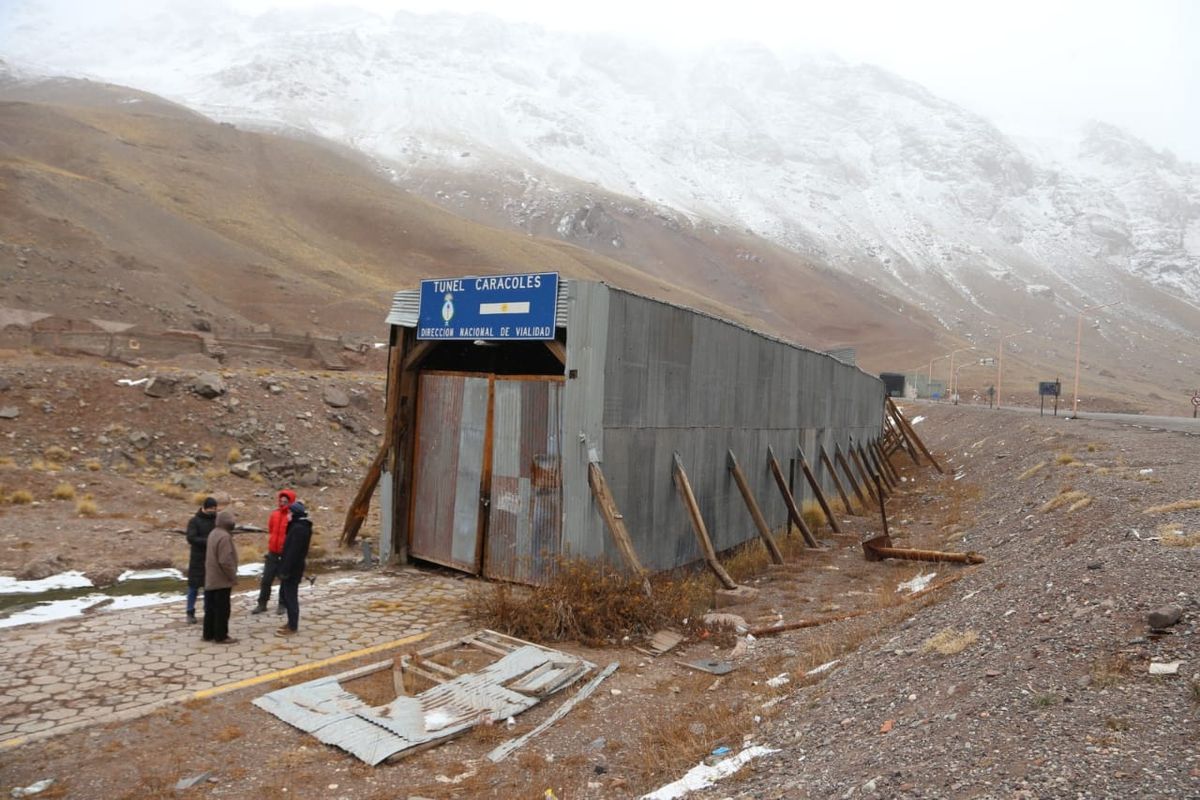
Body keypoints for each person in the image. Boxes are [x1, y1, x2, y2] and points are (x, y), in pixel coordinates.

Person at [253, 488, 296, 615]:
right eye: (281, 500)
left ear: (290, 502)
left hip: (285, 553)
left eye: (285, 501)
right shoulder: (274, 515)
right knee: (266, 579)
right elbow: (271, 530)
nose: (282, 503)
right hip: (273, 552)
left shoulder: (292, 517)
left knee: (284, 580)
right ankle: (262, 603)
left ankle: (282, 604)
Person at [276, 501, 313, 637]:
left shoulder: (299, 529)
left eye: (290, 513)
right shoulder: (299, 527)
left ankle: (293, 626)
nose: (288, 516)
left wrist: (284, 570)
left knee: (290, 597)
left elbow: (293, 553)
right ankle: (291, 622)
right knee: (287, 595)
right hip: (292, 567)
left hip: (292, 569)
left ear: (295, 513)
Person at [203, 509, 239, 644]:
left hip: (211, 577)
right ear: (226, 522)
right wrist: (232, 576)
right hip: (221, 579)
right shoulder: (224, 536)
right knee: (222, 609)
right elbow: (225, 561)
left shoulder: (213, 533)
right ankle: (221, 636)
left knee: (210, 609)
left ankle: (208, 634)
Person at [184, 497, 218, 624]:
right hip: (197, 559)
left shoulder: (216, 520)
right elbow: (191, 538)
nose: (213, 511)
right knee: (193, 587)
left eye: (215, 509)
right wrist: (209, 541)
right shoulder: (194, 521)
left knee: (208, 587)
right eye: (211, 509)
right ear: (205, 507)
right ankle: (190, 611)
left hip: (212, 558)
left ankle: (208, 611)